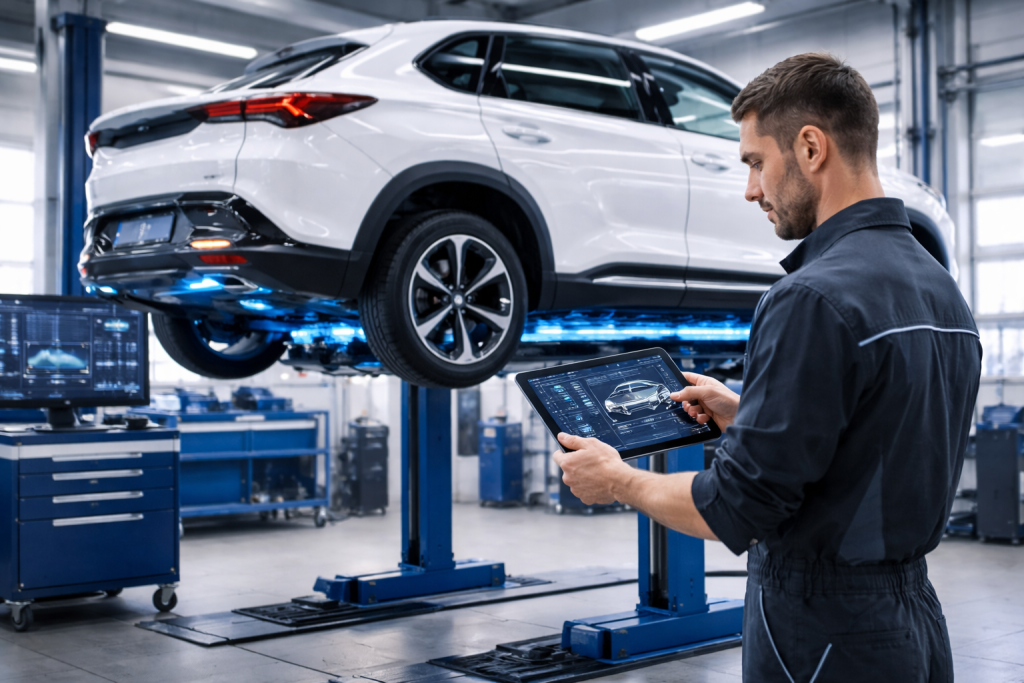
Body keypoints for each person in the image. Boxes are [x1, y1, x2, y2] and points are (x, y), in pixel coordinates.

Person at [553, 52, 980, 682]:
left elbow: (733, 507)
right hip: (913, 621)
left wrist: (618, 479)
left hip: (822, 630)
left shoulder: (809, 297)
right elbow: (873, 436)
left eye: (756, 162)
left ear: (810, 148)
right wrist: (752, 411)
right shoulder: (943, 291)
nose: (751, 189)